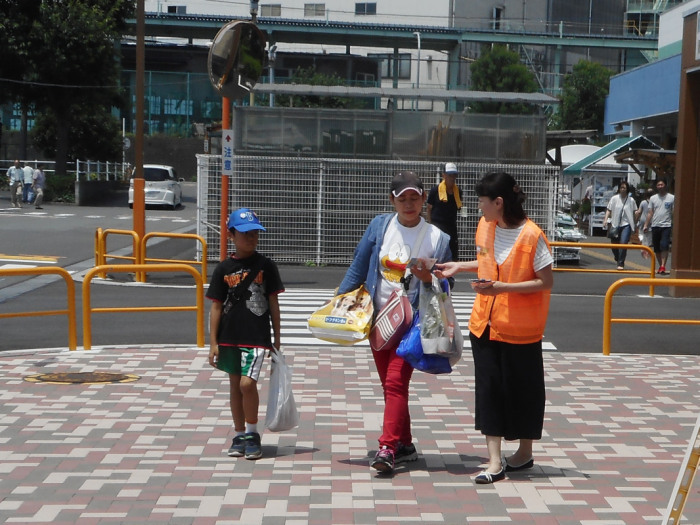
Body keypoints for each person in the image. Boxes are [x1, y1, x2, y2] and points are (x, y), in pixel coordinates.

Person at [434, 171, 553, 485]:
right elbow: (485, 261)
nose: (479, 209)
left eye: (482, 203)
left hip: (521, 329)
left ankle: (524, 453)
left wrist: (502, 288)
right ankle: (494, 459)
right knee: (489, 390)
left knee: (524, 391)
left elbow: (546, 281)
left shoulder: (531, 235)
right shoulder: (486, 226)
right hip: (484, 324)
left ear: (499, 202)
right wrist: (460, 265)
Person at [336, 171, 452, 474]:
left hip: (415, 320)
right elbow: (359, 266)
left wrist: (431, 279)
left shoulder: (438, 238)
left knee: (395, 382)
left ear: (424, 198)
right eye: (403, 198)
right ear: (393, 200)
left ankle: (386, 448)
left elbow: (447, 286)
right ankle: (405, 444)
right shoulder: (380, 226)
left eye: (415, 197)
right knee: (390, 386)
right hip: (380, 319)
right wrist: (338, 302)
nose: (409, 204)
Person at [206, 207, 284, 460]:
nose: (251, 238)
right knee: (234, 386)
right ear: (231, 235)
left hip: (256, 337)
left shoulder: (266, 266)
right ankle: (239, 434)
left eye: (255, 233)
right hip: (229, 337)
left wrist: (277, 339)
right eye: (245, 233)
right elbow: (216, 306)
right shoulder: (223, 269)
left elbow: (273, 303)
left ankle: (252, 432)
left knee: (247, 384)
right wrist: (213, 343)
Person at [427, 162, 462, 261]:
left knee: (452, 253)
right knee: (437, 252)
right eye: (449, 175)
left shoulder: (458, 191)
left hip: (451, 226)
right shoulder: (435, 190)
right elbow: (429, 208)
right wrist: (430, 225)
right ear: (444, 175)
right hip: (437, 226)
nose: (452, 178)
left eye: (454, 175)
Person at [603, 181, 637, 270]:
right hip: (615, 224)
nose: (622, 189)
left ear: (627, 189)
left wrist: (634, 223)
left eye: (624, 188)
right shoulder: (614, 198)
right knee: (614, 245)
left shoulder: (631, 200)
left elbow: (634, 212)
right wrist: (605, 220)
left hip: (626, 224)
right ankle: (617, 257)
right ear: (619, 189)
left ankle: (621, 263)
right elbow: (609, 210)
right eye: (621, 187)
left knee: (623, 243)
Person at [643, 179, 674, 275]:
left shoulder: (672, 198)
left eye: (662, 184)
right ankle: (661, 265)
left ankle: (663, 266)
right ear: (656, 187)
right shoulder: (653, 198)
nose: (660, 186)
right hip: (655, 225)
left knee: (664, 245)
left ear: (665, 185)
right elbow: (650, 212)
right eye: (658, 185)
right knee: (657, 248)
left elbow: (674, 212)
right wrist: (646, 225)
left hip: (666, 225)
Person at [635, 188, 653, 259]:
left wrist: (636, 220)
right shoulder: (654, 202)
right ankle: (647, 250)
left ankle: (643, 247)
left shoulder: (643, 202)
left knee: (641, 234)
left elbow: (639, 212)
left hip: (642, 221)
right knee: (649, 236)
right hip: (651, 221)